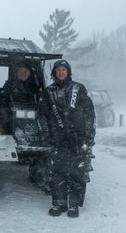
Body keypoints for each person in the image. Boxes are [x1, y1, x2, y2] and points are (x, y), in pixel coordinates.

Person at [38, 59, 96, 218]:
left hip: (78, 138)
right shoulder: (48, 92)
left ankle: (74, 205)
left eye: (64, 69)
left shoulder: (78, 88)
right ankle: (59, 203)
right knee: (57, 171)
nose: (61, 72)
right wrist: (46, 136)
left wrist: (89, 136)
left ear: (68, 72)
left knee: (77, 172)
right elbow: (42, 116)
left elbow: (89, 114)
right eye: (58, 70)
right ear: (54, 73)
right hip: (57, 139)